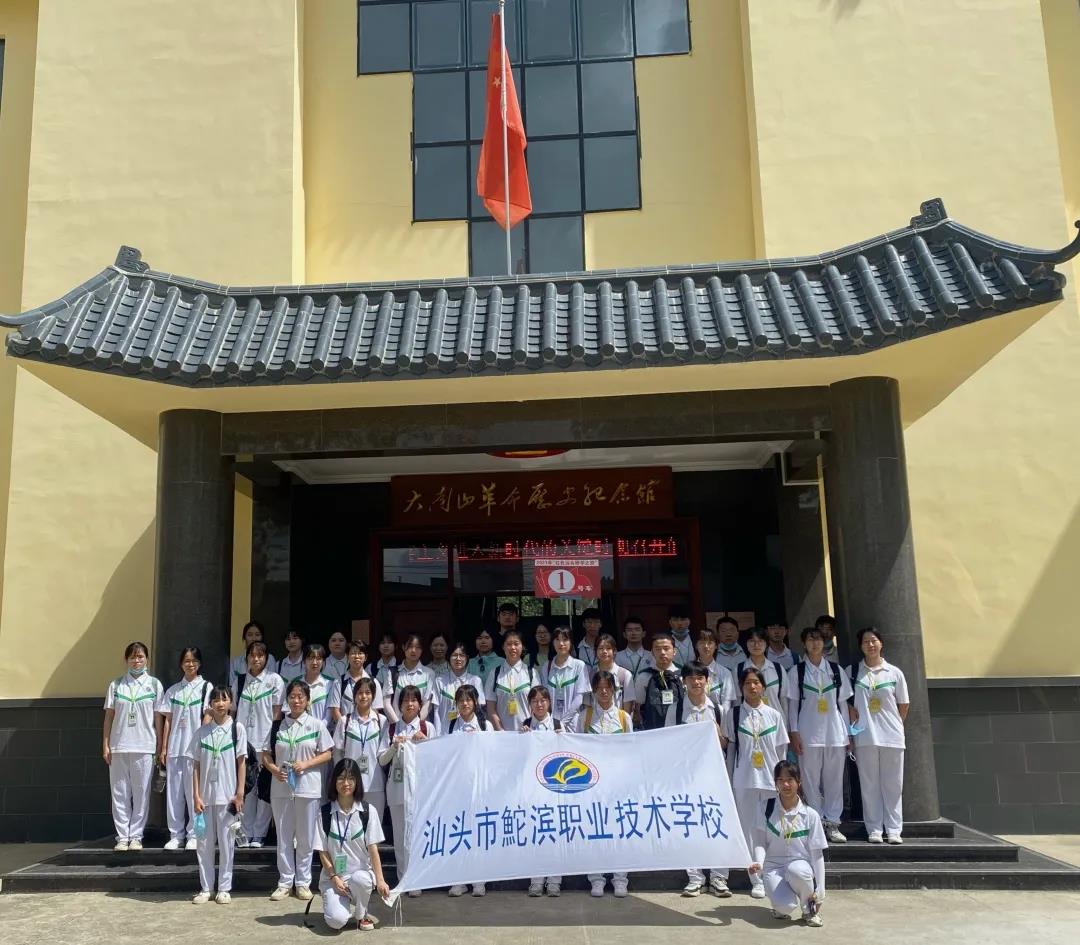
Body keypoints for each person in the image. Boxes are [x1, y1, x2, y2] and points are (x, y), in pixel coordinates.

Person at [263, 679, 334, 902]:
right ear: (287, 700)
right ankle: (285, 882)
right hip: (281, 788)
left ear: (307, 700)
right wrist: (274, 769)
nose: (296, 701)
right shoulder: (278, 726)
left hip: (308, 788)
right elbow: (265, 755)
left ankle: (303, 883)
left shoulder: (316, 725)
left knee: (305, 837)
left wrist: (306, 764)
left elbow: (328, 753)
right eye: (292, 696)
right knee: (284, 837)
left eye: (300, 697)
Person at [722, 666, 789, 899]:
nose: (752, 686)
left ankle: (774, 875)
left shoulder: (774, 715)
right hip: (745, 780)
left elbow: (781, 751)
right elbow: (731, 749)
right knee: (749, 830)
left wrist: (782, 782)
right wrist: (730, 779)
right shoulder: (733, 715)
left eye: (756, 682)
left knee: (771, 830)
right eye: (747, 683)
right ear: (741, 688)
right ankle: (757, 879)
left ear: (763, 687)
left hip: (770, 781)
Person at [783, 627, 852, 843]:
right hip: (808, 734)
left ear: (824, 643)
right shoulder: (797, 672)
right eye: (810, 640)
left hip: (835, 733)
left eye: (819, 639)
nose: (815, 643)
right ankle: (816, 822)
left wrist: (848, 734)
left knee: (834, 781)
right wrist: (794, 732)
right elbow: (792, 706)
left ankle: (833, 823)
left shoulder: (835, 670)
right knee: (810, 781)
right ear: (804, 644)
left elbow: (843, 705)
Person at [570, 671, 632, 898]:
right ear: (594, 691)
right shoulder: (584, 717)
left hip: (618, 783)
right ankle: (596, 879)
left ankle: (620, 879)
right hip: (592, 785)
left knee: (619, 831)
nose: (604, 692)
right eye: (599, 688)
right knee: (594, 830)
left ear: (614, 690)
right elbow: (576, 750)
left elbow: (631, 750)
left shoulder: (624, 718)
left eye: (608, 687)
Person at [314, 759, 390, 932]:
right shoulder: (324, 813)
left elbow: (373, 849)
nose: (346, 783)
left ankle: (362, 915)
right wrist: (334, 877)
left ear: (357, 782)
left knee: (361, 879)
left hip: (359, 876)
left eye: (351, 778)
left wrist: (380, 880)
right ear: (334, 781)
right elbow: (323, 852)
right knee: (336, 921)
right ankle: (337, 904)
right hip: (334, 879)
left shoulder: (368, 811)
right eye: (341, 778)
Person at [103, 641, 165, 851]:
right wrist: (105, 744)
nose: (136, 661)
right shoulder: (116, 685)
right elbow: (109, 717)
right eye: (132, 657)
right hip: (119, 746)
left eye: (140, 657)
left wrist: (159, 745)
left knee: (141, 793)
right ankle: (122, 837)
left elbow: (158, 718)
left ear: (146, 659)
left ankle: (136, 836)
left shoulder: (154, 685)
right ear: (126, 660)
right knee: (119, 793)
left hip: (144, 746)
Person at [748, 761, 826, 927]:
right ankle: (780, 906)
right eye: (781, 780)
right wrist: (759, 863)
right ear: (775, 783)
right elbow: (760, 841)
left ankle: (809, 910)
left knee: (797, 871)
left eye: (790, 779)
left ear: (799, 782)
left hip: (799, 864)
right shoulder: (765, 808)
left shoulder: (811, 815)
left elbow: (817, 855)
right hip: (773, 866)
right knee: (786, 907)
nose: (785, 785)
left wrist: (821, 890)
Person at [850, 627, 909, 844]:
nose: (870, 645)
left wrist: (893, 725)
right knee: (869, 785)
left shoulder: (894, 672)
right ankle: (874, 829)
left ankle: (893, 830)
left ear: (881, 643)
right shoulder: (853, 672)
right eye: (866, 641)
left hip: (892, 736)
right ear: (860, 646)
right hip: (865, 737)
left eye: (873, 640)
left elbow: (903, 705)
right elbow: (847, 703)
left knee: (893, 785)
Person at [678, 662, 730, 898]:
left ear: (707, 681)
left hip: (714, 775)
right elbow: (669, 741)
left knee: (717, 823)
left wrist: (717, 732)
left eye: (700, 678)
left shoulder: (718, 709)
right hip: (687, 776)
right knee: (690, 824)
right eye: (691, 678)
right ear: (684, 682)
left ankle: (719, 877)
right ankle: (695, 877)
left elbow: (726, 743)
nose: (696, 682)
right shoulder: (677, 709)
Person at [190, 686, 247, 904]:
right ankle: (206, 888)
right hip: (205, 799)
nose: (220, 704)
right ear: (210, 704)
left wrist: (239, 793)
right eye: (216, 700)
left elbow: (241, 763)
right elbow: (195, 766)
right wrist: (196, 795)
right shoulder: (201, 732)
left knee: (226, 844)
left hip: (227, 797)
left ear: (231, 703)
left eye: (224, 699)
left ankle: (224, 888)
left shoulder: (237, 729)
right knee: (204, 845)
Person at [377, 685, 430, 898]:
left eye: (414, 700)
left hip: (420, 791)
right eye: (406, 700)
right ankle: (403, 880)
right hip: (397, 789)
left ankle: (417, 878)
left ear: (419, 704)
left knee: (417, 836)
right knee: (399, 838)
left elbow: (438, 758)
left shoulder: (427, 727)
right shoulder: (392, 728)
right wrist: (393, 746)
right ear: (399, 705)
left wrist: (425, 742)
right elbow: (382, 760)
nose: (410, 704)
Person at [158, 647, 212, 850]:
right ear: (181, 664)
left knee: (193, 793)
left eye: (194, 660)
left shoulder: (206, 687)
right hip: (175, 748)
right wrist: (164, 748)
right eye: (187, 661)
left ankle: (193, 834)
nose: (190, 664)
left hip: (194, 749)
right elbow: (168, 721)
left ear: (199, 663)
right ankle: (176, 835)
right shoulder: (173, 690)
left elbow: (208, 716)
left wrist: (201, 742)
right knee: (174, 794)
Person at [232, 641, 284, 848]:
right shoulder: (239, 681)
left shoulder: (274, 680)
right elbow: (233, 712)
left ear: (266, 658)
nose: (256, 659)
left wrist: (270, 741)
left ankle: (260, 833)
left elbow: (277, 713)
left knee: (264, 789)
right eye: (252, 655)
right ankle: (246, 831)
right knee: (246, 787)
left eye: (260, 655)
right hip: (244, 742)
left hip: (265, 741)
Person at [332, 678, 389, 824]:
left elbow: (383, 755)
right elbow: (337, 753)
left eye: (368, 693)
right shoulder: (345, 721)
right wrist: (342, 778)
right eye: (360, 693)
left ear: (373, 696)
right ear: (354, 696)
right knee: (351, 826)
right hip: (350, 784)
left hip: (375, 783)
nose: (364, 696)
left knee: (374, 826)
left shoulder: (381, 721)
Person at [484, 631, 540, 731]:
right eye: (509, 644)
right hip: (501, 734)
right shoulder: (494, 673)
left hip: (527, 732)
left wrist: (529, 727)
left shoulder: (532, 673)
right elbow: (490, 708)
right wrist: (501, 730)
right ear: (503, 647)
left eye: (516, 644)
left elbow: (537, 705)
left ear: (522, 647)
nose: (513, 647)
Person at [635, 631, 686, 730]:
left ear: (674, 651)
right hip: (652, 730)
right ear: (652, 652)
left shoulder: (683, 676)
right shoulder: (644, 676)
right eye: (658, 649)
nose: (662, 652)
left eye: (666, 648)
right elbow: (638, 706)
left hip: (679, 729)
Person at [381, 633, 436, 724]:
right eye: (410, 646)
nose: (413, 650)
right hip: (397, 727)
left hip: (421, 727)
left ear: (422, 650)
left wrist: (417, 724)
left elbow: (428, 703)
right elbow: (386, 703)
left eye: (417, 647)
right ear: (403, 647)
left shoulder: (429, 674)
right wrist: (398, 725)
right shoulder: (392, 673)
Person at [431, 642, 485, 734]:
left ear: (467, 658)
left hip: (470, 732)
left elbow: (480, 709)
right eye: (454, 655)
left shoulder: (475, 680)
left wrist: (478, 730)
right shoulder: (439, 681)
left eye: (462, 655)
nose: (458, 658)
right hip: (445, 734)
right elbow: (436, 711)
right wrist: (438, 735)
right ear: (448, 657)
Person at [541, 627, 590, 727]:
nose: (561, 643)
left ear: (571, 642)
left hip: (574, 725)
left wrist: (562, 723)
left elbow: (579, 699)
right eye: (557, 639)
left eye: (565, 639)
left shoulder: (579, 666)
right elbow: (544, 697)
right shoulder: (546, 666)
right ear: (553, 642)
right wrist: (554, 723)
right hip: (550, 725)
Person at [330, 641, 385, 727]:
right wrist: (346, 729)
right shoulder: (339, 682)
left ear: (366, 657)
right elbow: (335, 710)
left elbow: (375, 710)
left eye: (360, 653)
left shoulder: (374, 682)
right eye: (353, 653)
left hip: (367, 730)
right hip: (345, 730)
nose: (356, 656)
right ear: (347, 656)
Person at [694, 627, 738, 713]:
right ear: (696, 645)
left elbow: (726, 705)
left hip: (717, 718)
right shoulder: (688, 671)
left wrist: (722, 720)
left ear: (716, 646)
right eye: (702, 642)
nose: (706, 646)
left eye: (710, 643)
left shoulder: (725, 673)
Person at [592, 633, 638, 716]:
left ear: (615, 651)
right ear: (595, 651)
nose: (604, 651)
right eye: (601, 648)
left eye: (608, 648)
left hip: (617, 722)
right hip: (595, 722)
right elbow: (587, 704)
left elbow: (628, 707)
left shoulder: (625, 675)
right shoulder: (590, 675)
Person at [738, 628, 782, 708]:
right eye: (752, 641)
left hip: (775, 715)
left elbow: (784, 700)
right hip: (748, 715)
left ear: (766, 644)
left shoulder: (778, 669)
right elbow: (737, 701)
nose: (756, 645)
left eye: (760, 641)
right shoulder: (738, 670)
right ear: (746, 644)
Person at [228, 620, 278, 690]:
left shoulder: (270, 659)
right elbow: (232, 686)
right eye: (250, 635)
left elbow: (272, 684)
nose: (254, 638)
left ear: (262, 637)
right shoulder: (235, 662)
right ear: (244, 638)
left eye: (257, 635)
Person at [301, 644, 335, 729]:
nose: (314, 662)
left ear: (323, 662)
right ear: (304, 661)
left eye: (319, 658)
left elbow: (329, 714)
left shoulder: (330, 684)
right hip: (299, 733)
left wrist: (318, 729)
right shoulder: (296, 683)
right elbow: (289, 711)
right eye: (310, 658)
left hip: (323, 731)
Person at [575, 607, 603, 671]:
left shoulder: (606, 646)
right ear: (583, 624)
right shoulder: (576, 647)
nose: (592, 625)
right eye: (589, 622)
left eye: (596, 622)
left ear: (601, 624)